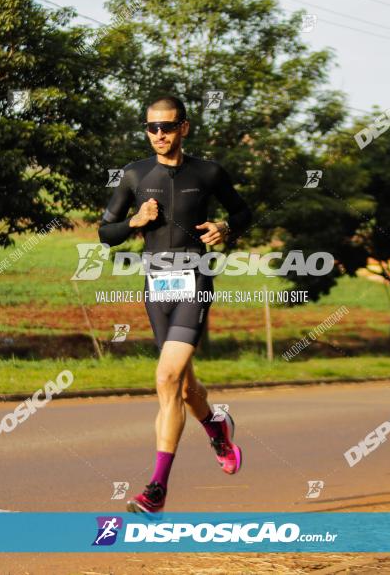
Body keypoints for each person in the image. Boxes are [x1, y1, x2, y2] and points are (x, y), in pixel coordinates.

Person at [98, 95, 251, 514]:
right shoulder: (134, 175)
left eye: (167, 127)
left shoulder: (208, 172)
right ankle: (217, 428)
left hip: (195, 281)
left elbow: (244, 213)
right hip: (156, 287)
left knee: (166, 378)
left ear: (184, 127)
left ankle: (156, 491)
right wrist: (135, 221)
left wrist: (224, 226)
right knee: (183, 387)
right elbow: (105, 232)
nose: (159, 135)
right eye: (151, 128)